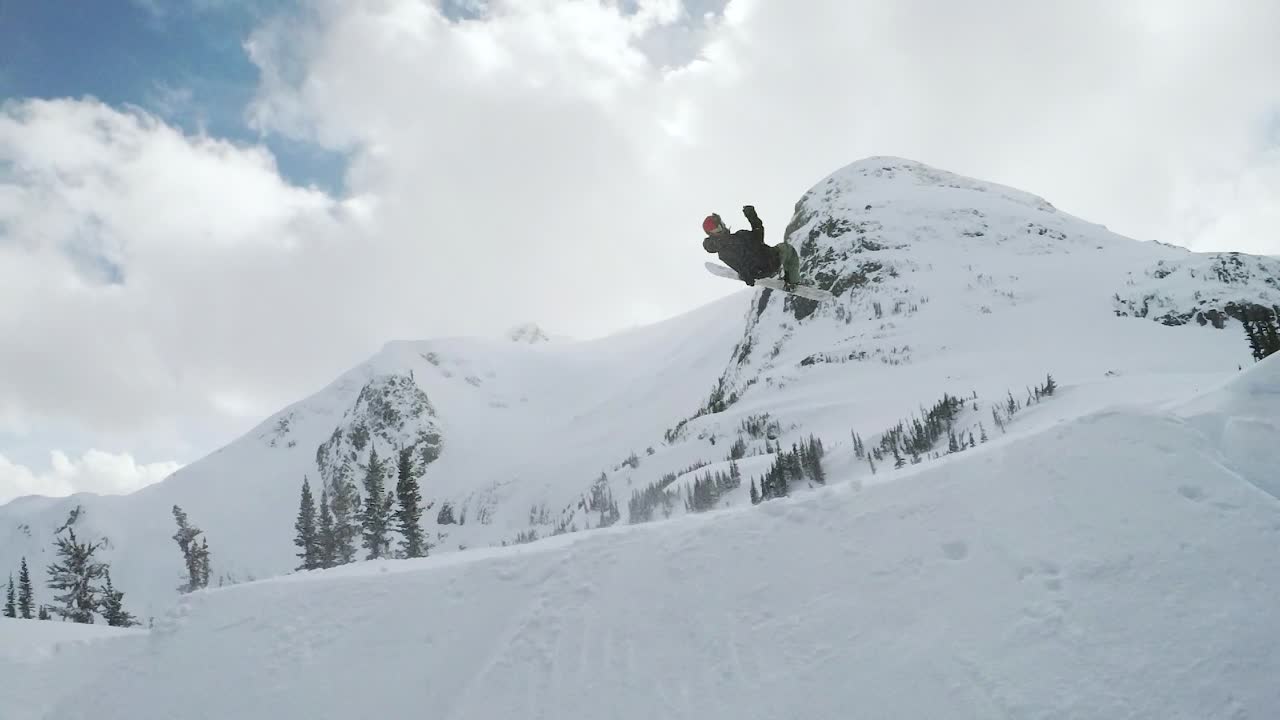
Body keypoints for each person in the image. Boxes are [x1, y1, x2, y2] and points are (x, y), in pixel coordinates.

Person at [702, 205, 801, 290]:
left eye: (720, 225)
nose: (721, 228)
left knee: (778, 252)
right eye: (718, 227)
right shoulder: (740, 236)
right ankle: (792, 283)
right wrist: (753, 217)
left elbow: (738, 262)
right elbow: (759, 235)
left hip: (760, 271)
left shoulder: (724, 250)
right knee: (788, 249)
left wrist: (747, 275)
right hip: (770, 262)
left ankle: (780, 274)